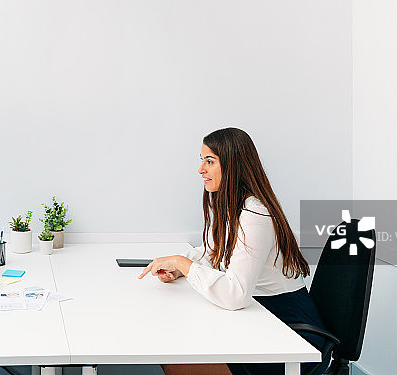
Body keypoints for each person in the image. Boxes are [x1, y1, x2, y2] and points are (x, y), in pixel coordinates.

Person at [139, 128, 329, 375]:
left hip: (291, 334)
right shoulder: (232, 206)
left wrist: (183, 263)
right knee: (176, 345)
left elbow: (235, 294)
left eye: (210, 161)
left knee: (177, 359)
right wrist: (181, 268)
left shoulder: (255, 214)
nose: (201, 170)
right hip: (260, 319)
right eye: (202, 161)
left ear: (232, 165)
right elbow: (212, 252)